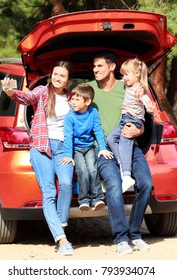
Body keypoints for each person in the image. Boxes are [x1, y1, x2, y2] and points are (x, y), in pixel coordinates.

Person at [1, 61, 75, 256]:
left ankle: (61, 226)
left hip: (63, 149)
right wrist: (11, 92)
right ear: (51, 74)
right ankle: (62, 238)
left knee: (66, 184)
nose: (58, 78)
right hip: (42, 147)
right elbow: (26, 97)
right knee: (49, 192)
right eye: (55, 74)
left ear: (68, 80)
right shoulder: (43, 91)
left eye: (62, 76)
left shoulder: (70, 98)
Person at [87, 50, 153, 255]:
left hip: (130, 145)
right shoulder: (87, 89)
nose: (95, 69)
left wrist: (139, 130)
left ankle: (135, 233)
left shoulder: (128, 86)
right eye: (94, 66)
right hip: (104, 150)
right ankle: (122, 238)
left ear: (112, 67)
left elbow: (145, 118)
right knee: (115, 186)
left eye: (99, 66)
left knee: (146, 184)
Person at [60, 84, 113, 212]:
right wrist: (67, 154)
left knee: (93, 169)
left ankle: (97, 199)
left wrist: (103, 148)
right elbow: (68, 136)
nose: (73, 101)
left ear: (87, 101)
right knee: (82, 170)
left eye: (77, 99)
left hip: (89, 147)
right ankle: (84, 200)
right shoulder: (70, 116)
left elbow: (98, 130)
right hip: (76, 149)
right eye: (72, 98)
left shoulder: (93, 112)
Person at [107, 58, 156, 193]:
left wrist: (149, 107)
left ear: (137, 74)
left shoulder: (139, 89)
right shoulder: (128, 85)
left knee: (124, 144)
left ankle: (127, 176)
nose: (124, 77)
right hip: (124, 119)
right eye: (123, 74)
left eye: (127, 74)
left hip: (133, 120)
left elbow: (146, 99)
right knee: (111, 138)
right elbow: (120, 81)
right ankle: (123, 165)